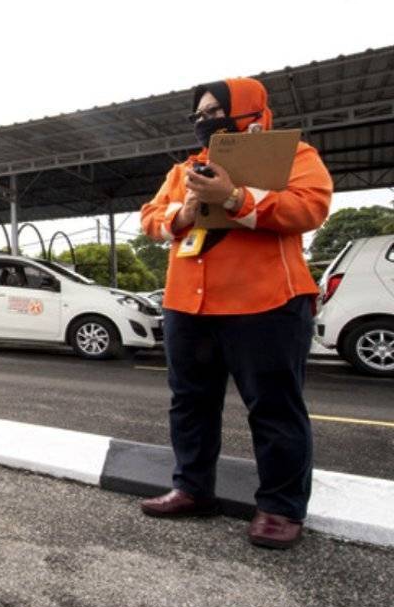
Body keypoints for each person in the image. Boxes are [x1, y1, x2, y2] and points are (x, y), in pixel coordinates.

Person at [139, 77, 333, 549]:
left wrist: (233, 197)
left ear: (248, 112)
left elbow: (311, 208)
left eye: (215, 112)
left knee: (273, 407)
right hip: (189, 302)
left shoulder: (295, 156)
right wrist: (183, 213)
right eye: (199, 115)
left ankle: (281, 507)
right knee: (190, 402)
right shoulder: (184, 169)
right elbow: (149, 218)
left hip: (265, 302)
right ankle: (192, 488)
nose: (206, 122)